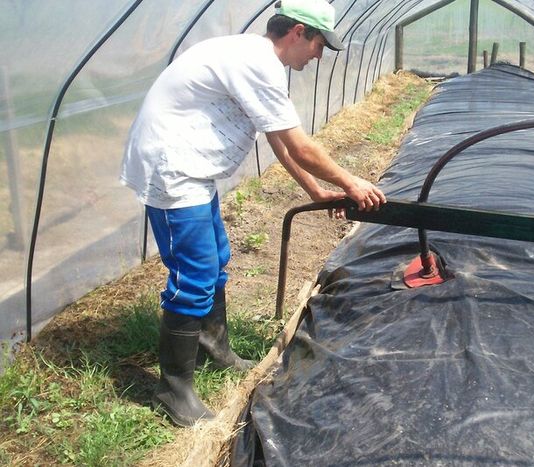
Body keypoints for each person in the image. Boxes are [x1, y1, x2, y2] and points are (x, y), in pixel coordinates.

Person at [120, 0, 386, 427]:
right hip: (172, 170)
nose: (319, 56)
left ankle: (214, 348)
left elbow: (277, 139)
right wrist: (351, 183)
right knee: (195, 273)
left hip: (194, 170)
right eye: (320, 45)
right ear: (298, 32)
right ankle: (174, 389)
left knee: (216, 260)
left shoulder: (257, 60)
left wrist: (316, 190)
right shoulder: (255, 63)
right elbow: (300, 146)